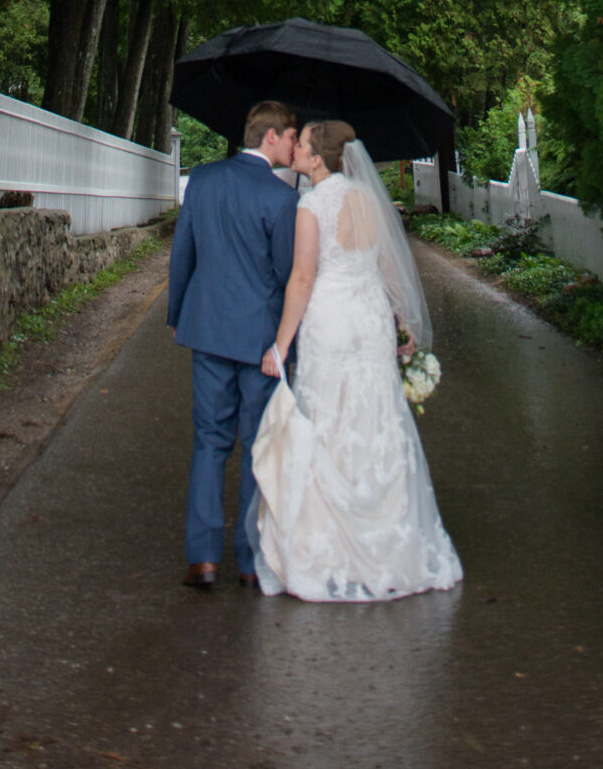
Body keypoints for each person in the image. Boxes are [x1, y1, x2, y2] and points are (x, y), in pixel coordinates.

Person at [250, 117, 463, 602]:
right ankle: (392, 545)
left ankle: (332, 552)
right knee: (377, 418)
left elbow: (302, 279)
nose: (296, 151)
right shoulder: (369, 200)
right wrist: (400, 324)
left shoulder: (311, 206)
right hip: (367, 319)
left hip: (330, 318)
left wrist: (280, 347)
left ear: (318, 157)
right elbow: (389, 268)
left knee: (328, 418)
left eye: (302, 145)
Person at [166, 97, 300, 590]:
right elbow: (287, 276)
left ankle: (202, 558)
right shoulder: (282, 200)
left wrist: (178, 315)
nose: (293, 145)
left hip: (207, 330)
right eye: (290, 137)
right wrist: (290, 343)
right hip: (260, 340)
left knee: (209, 442)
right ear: (270, 136)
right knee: (256, 446)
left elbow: (183, 255)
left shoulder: (201, 180)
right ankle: (248, 559)